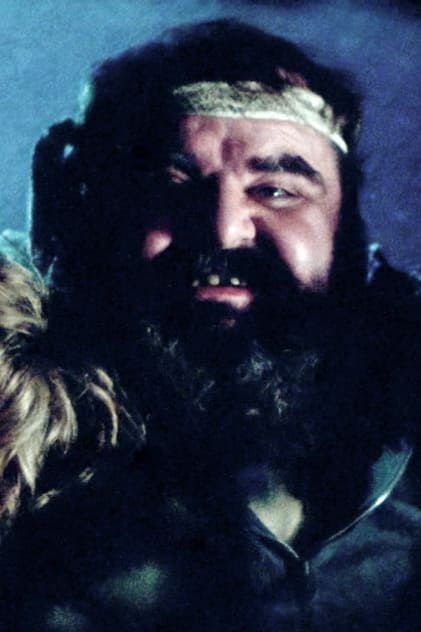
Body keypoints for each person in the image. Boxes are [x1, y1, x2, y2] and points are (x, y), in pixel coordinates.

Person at [0, 18, 419, 631]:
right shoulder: (31, 471)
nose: (224, 230)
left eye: (275, 190)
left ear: (347, 235)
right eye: (170, 185)